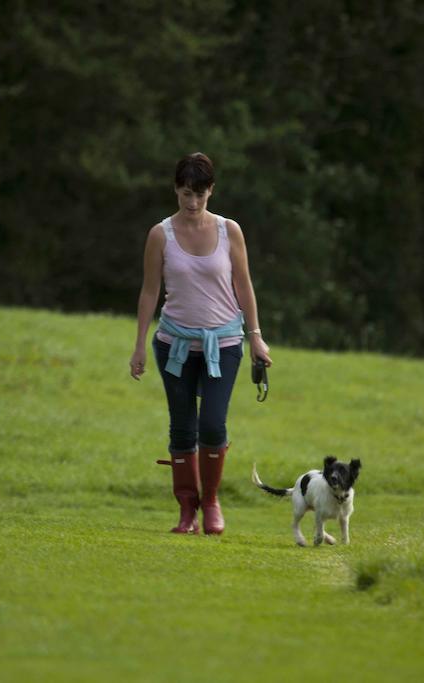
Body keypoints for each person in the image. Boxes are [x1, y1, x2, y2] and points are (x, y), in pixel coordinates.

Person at [129, 152, 272, 535]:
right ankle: (187, 509)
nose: (192, 203)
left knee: (212, 423)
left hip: (223, 343)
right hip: (173, 343)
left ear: (211, 191)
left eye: (200, 194)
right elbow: (149, 291)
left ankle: (211, 501)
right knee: (182, 427)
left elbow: (244, 285)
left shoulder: (230, 231)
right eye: (186, 193)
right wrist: (140, 344)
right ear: (175, 189)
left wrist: (256, 338)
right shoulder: (161, 234)